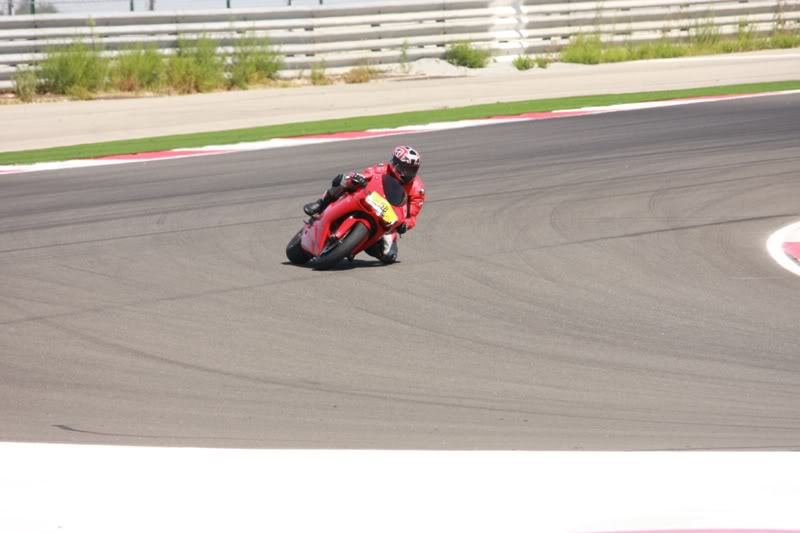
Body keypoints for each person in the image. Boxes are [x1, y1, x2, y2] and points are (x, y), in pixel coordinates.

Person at [303, 145, 425, 264]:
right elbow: (367, 174)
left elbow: (412, 214)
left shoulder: (417, 188)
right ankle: (321, 203)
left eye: (413, 169)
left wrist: (405, 225)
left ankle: (367, 243)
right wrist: (359, 178)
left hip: (388, 219)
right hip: (368, 198)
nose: (408, 172)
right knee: (346, 180)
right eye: (405, 167)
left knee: (389, 256)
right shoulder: (382, 168)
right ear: (395, 163)